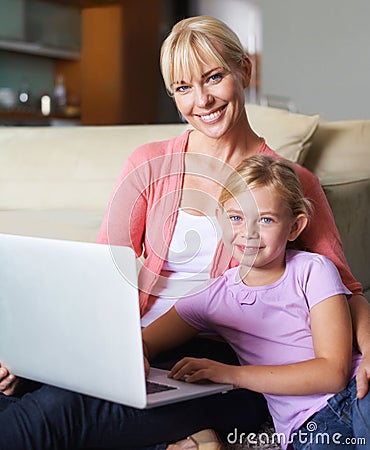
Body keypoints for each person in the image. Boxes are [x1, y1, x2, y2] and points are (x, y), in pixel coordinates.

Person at [0, 14, 368, 449]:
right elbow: (98, 278)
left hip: (216, 358)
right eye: (183, 88)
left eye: (214, 78)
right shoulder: (147, 165)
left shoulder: (290, 181)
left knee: (53, 417)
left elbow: (347, 289)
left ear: (243, 71)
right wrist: (35, 353)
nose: (203, 100)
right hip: (135, 346)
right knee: (16, 393)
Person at [142, 154, 370, 449]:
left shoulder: (313, 270)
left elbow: (333, 374)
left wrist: (231, 375)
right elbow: (144, 342)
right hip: (307, 428)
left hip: (356, 392)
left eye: (265, 219)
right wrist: (138, 358)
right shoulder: (212, 298)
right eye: (236, 217)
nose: (247, 232)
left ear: (295, 227)